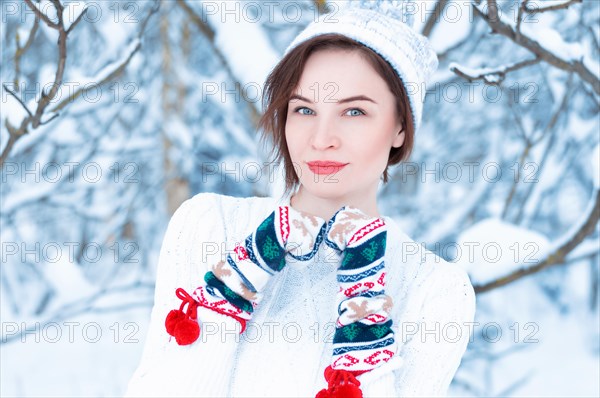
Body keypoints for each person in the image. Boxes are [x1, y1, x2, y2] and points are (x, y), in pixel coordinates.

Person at [124, 2, 476, 397]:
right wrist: (241, 274)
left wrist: (364, 307)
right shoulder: (210, 223)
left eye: (354, 111)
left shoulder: (436, 290)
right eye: (305, 109)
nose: (321, 137)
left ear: (399, 126)